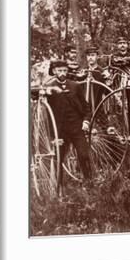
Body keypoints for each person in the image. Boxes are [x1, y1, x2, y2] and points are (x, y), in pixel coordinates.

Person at [43, 60, 92, 191]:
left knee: (84, 155)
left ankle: (89, 183)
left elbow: (87, 107)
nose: (62, 73)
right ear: (54, 71)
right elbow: (35, 94)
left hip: (77, 128)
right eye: (59, 71)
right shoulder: (49, 87)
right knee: (58, 159)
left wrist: (86, 121)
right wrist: (53, 136)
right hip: (60, 131)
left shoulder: (75, 86)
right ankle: (58, 188)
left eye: (64, 70)